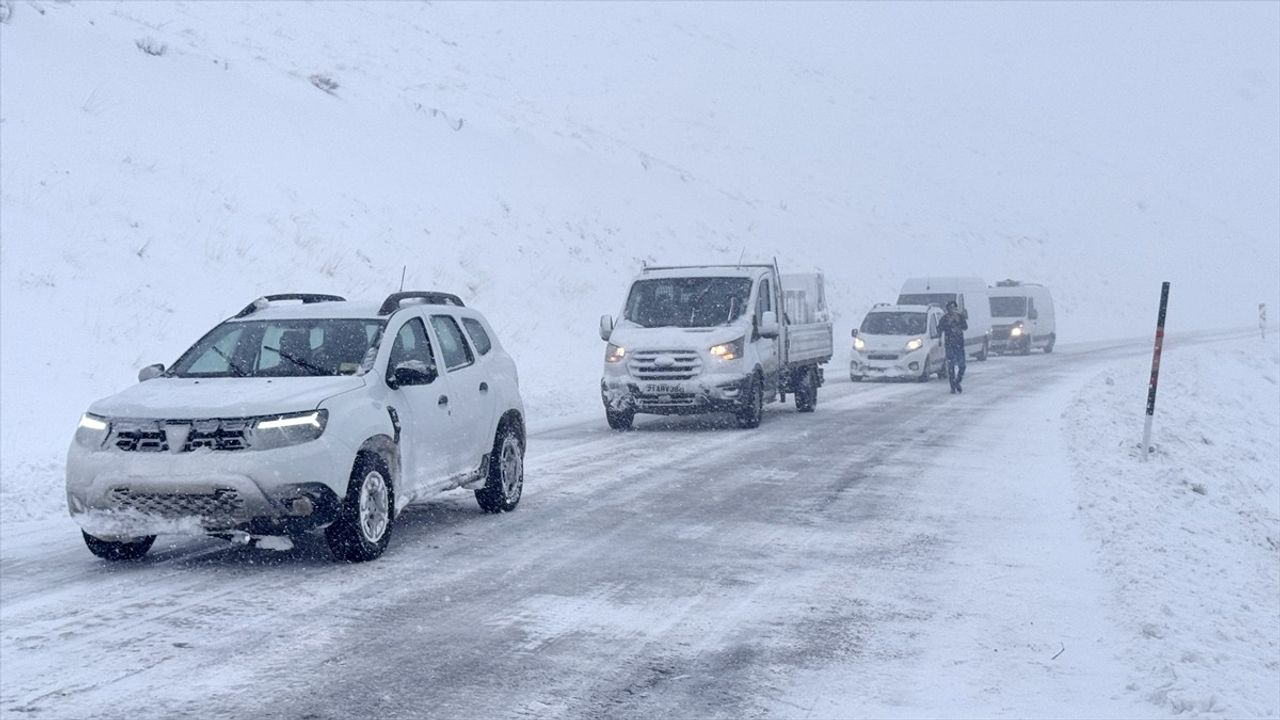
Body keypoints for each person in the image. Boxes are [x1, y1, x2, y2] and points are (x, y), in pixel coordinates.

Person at [938, 301, 968, 393]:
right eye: (950, 308)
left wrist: (959, 324)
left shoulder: (960, 317)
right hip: (949, 345)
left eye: (954, 308)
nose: (952, 310)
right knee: (951, 366)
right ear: (947, 309)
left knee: (962, 366)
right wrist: (940, 337)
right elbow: (939, 328)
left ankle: (957, 381)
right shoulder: (944, 318)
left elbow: (965, 327)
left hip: (959, 344)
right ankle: (952, 387)